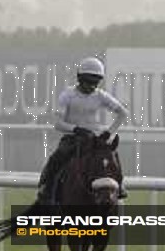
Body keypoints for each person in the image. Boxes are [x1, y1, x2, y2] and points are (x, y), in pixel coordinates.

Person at [37, 56, 129, 204]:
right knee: (56, 158)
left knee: (113, 156)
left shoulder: (101, 96)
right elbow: (57, 123)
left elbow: (123, 113)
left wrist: (109, 132)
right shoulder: (68, 95)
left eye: (95, 82)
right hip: (73, 139)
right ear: (80, 78)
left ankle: (120, 187)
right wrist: (76, 129)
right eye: (88, 82)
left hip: (95, 139)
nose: (91, 86)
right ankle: (46, 188)